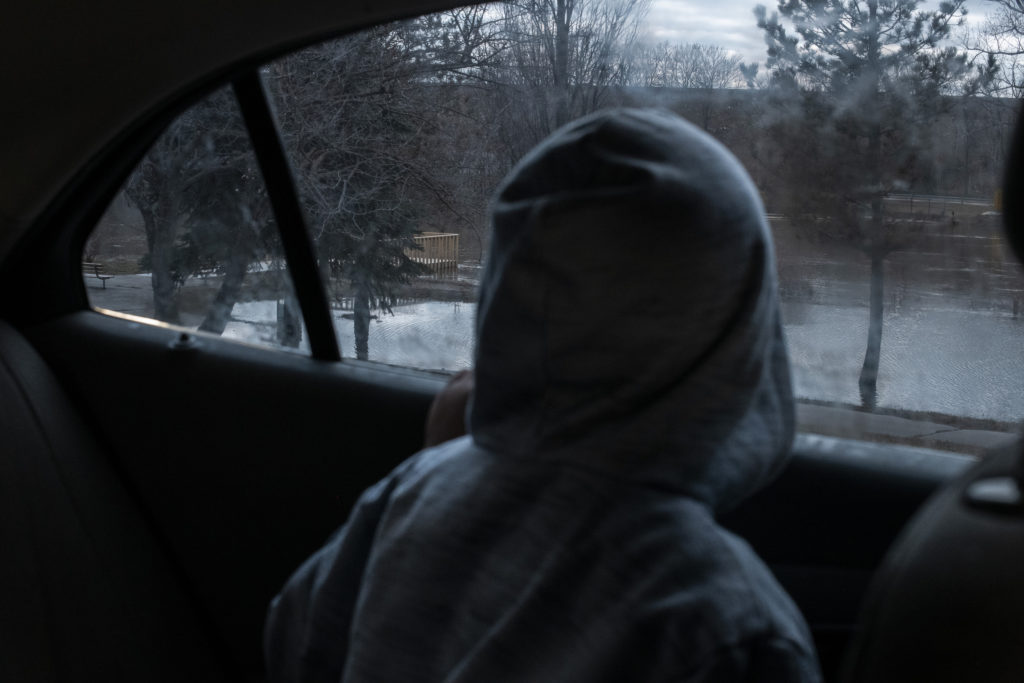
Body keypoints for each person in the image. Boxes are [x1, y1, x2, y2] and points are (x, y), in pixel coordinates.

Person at [264, 108, 822, 682]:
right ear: (738, 336)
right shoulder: (724, 621)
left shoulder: (409, 494)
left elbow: (295, 641)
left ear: (504, 302)